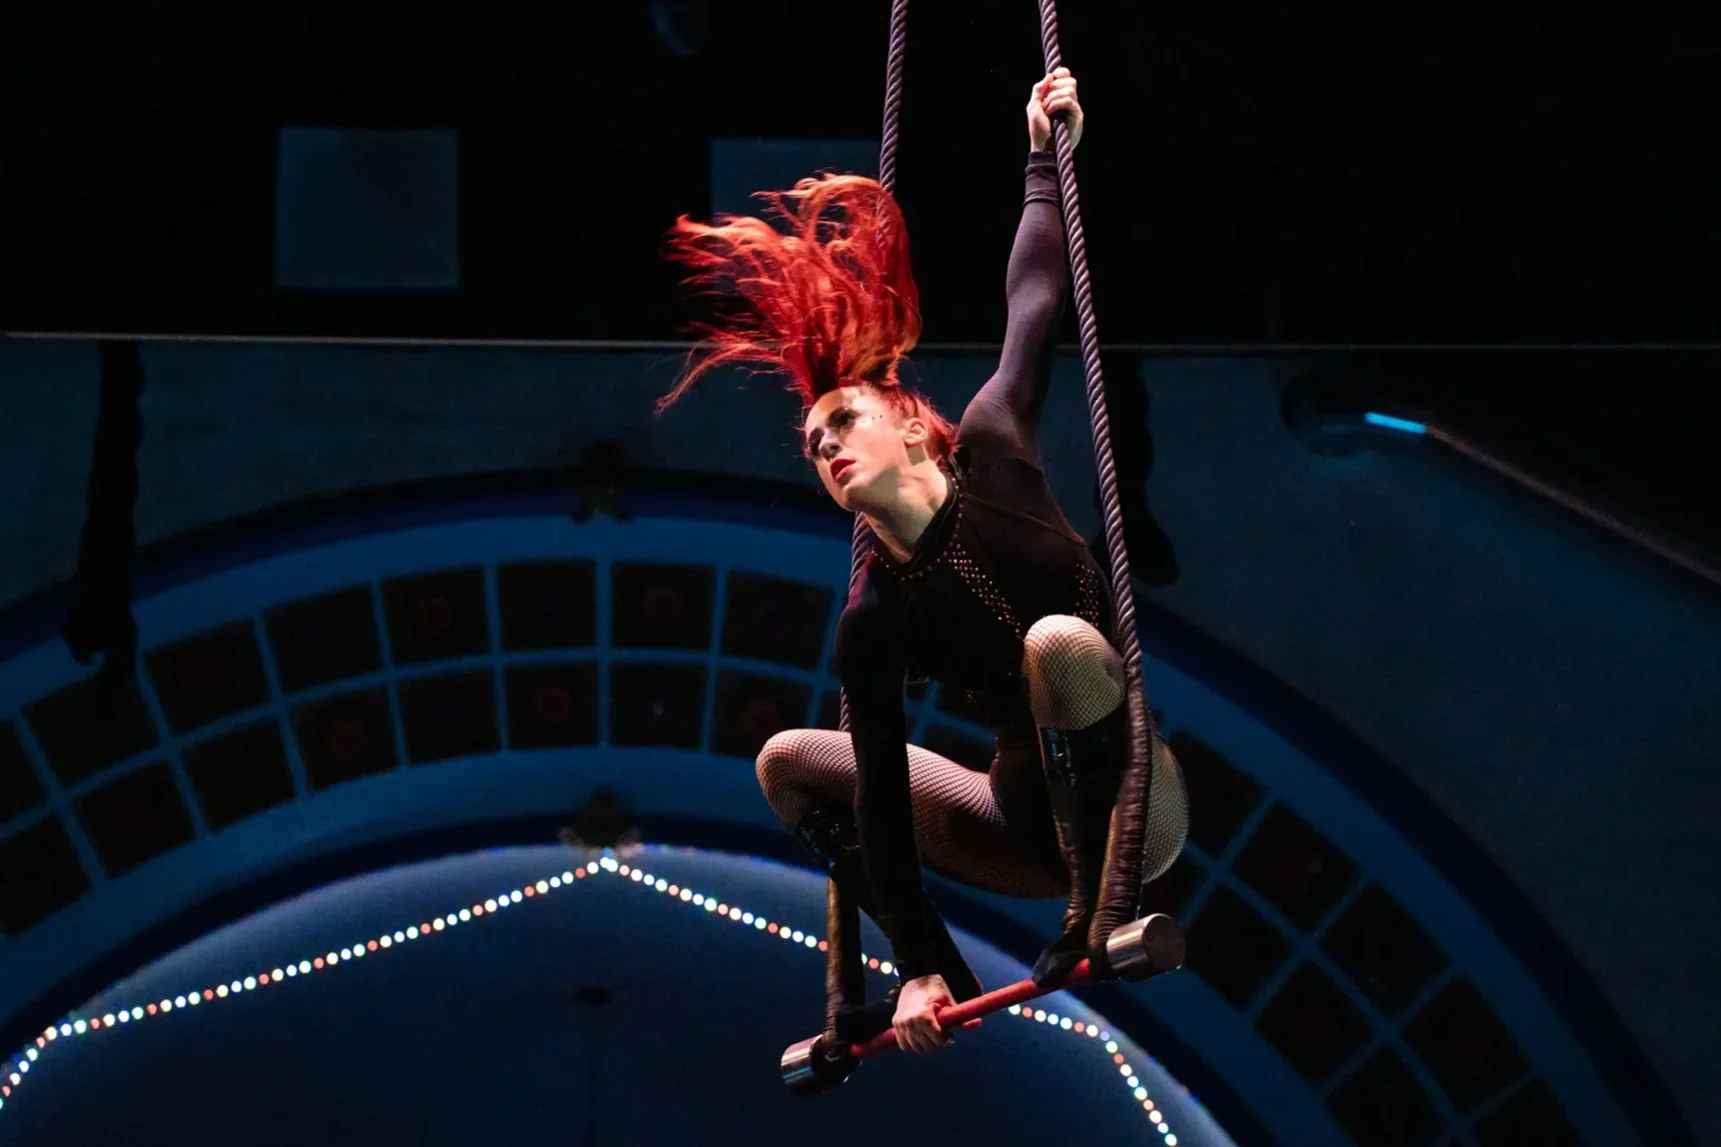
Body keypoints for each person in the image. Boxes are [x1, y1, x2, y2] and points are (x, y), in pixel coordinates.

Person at [659, 70, 1186, 1056]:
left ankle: (1089, 903)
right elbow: (882, 810)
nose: (825, 447)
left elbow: (1032, 300)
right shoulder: (877, 615)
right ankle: (949, 961)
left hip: (1129, 807)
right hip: (1013, 822)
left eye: (842, 423)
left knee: (1058, 645)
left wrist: (1042, 159)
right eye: (813, 445)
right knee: (787, 762)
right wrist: (914, 967)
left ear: (909, 425)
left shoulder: (993, 446)